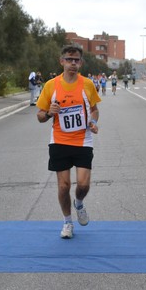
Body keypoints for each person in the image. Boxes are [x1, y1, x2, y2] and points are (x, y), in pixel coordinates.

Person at [36, 44, 101, 239]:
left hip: (83, 141)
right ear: (61, 61)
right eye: (69, 60)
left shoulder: (87, 84)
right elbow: (39, 116)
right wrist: (49, 113)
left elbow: (95, 109)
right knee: (63, 186)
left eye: (76, 60)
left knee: (83, 185)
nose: (73, 64)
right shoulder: (51, 85)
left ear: (80, 62)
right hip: (59, 141)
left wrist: (93, 121)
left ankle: (79, 203)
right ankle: (67, 222)